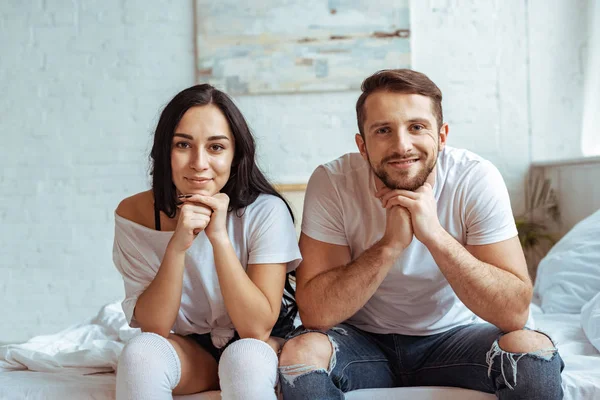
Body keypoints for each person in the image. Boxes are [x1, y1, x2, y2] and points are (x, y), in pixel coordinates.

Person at [278, 69, 564, 399]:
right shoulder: (332, 181)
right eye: (383, 130)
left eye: (417, 127)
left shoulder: (474, 178)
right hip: (361, 342)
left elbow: (514, 312)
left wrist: (435, 236)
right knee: (301, 354)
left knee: (531, 348)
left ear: (442, 135)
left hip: (457, 338)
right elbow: (317, 314)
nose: (402, 146)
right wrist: (390, 245)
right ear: (363, 145)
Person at [113, 84, 301, 400]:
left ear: (235, 154)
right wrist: (177, 246)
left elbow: (256, 328)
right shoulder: (135, 213)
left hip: (260, 341)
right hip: (192, 348)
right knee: (141, 354)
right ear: (164, 152)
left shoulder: (265, 210)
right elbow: (155, 328)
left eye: (216, 147)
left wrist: (218, 238)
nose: (199, 163)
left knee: (244, 360)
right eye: (183, 145)